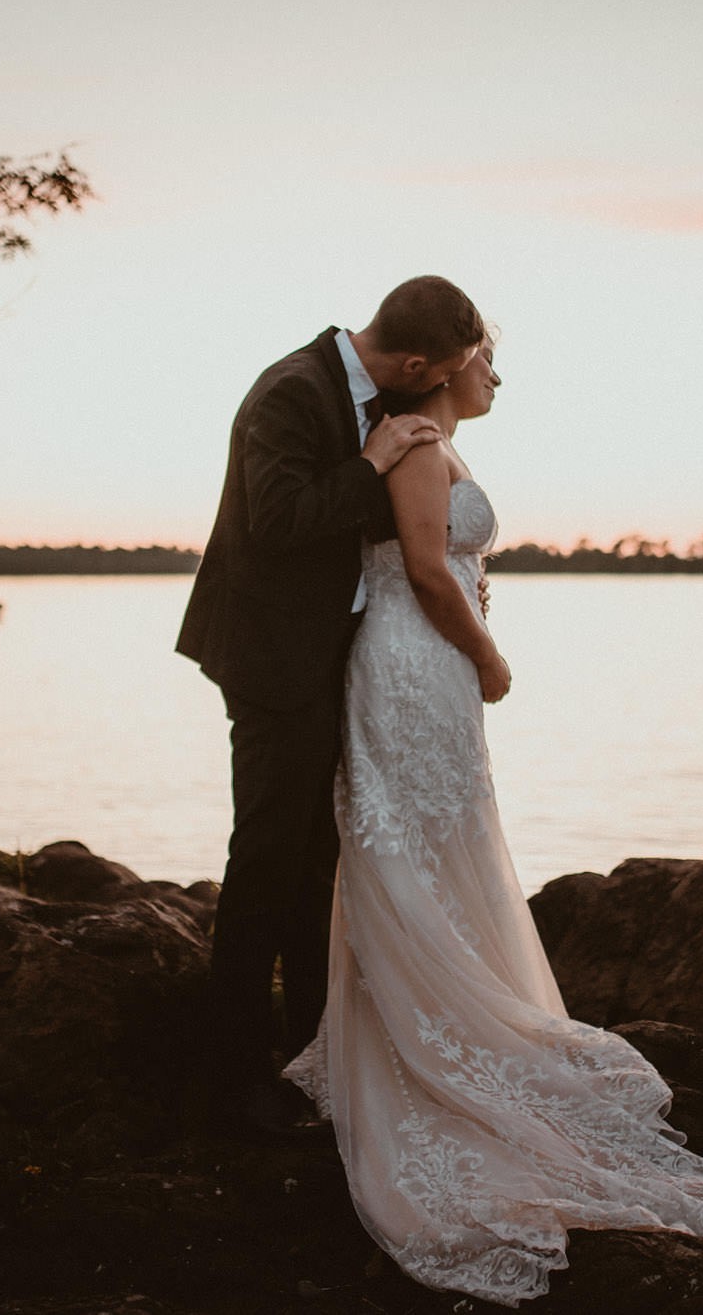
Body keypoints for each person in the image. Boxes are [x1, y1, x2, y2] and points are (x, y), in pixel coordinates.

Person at [283, 341, 703, 1305]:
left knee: (445, 845)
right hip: (414, 661)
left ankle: (455, 1009)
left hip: (431, 666)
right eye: (487, 359)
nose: (499, 377)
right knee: (409, 848)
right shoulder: (414, 445)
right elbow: (423, 569)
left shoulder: (428, 442)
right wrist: (492, 657)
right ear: (445, 362)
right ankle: (422, 1036)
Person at [177, 276, 485, 1139]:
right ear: (417, 361)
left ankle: (313, 1050)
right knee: (267, 859)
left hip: (329, 657)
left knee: (314, 862)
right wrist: (370, 465)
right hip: (269, 661)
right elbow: (276, 522)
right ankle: (231, 1077)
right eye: (454, 368)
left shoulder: (370, 394)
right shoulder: (291, 391)